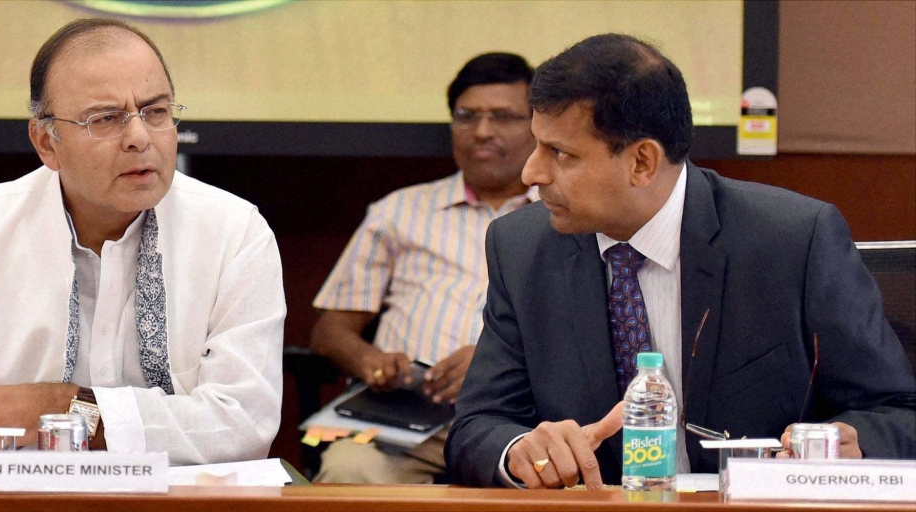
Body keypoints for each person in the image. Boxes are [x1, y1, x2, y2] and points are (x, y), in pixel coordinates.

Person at [446, 34, 916, 489]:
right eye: (536, 144)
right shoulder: (521, 248)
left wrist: (850, 442)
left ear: (643, 163)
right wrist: (520, 449)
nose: (531, 172)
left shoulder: (793, 240)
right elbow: (477, 427)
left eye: (560, 153)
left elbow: (898, 411)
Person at [0, 18, 285, 475]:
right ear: (47, 142)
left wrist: (65, 407)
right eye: (105, 119)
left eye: (156, 111)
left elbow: (243, 425)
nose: (140, 137)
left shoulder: (235, 232)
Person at [309, 52, 538, 484]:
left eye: (504, 117)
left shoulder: (565, 215)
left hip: (518, 419)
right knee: (348, 470)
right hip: (402, 416)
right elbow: (330, 329)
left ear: (538, 126)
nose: (482, 131)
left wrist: (496, 364)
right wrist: (371, 361)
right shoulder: (399, 211)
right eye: (467, 116)